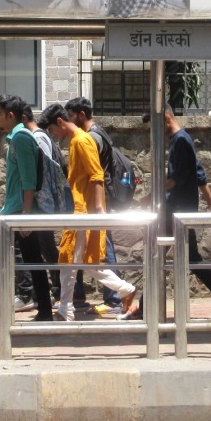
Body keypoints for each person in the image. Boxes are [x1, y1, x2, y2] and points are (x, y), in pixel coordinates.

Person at [38, 103, 137, 323]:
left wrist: (99, 211)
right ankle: (125, 290)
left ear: (60, 122)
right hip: (80, 209)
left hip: (83, 211)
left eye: (53, 130)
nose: (54, 136)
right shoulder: (77, 141)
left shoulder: (82, 141)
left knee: (68, 259)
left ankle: (66, 310)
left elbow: (96, 175)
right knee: (81, 261)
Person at [149, 105, 211, 319]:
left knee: (160, 256)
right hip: (178, 210)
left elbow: (177, 179)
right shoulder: (181, 140)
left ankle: (143, 308)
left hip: (178, 211)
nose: (154, 131)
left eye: (155, 124)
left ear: (165, 118)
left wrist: (151, 195)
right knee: (183, 259)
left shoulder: (180, 141)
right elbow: (199, 173)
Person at [0, 96, 55, 334]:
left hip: (20, 212)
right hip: (17, 210)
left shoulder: (20, 138)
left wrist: (25, 215)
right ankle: (45, 312)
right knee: (33, 258)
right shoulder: (18, 137)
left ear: (10, 115)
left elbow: (28, 180)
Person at [64, 96, 124, 313]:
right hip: (94, 202)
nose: (68, 121)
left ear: (81, 115)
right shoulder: (98, 133)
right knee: (93, 246)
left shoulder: (92, 138)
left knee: (102, 248)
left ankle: (115, 299)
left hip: (95, 203)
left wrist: (98, 208)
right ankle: (80, 296)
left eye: (71, 116)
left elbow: (95, 174)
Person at [22, 104, 64, 301]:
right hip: (44, 200)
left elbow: (45, 172)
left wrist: (39, 202)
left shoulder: (37, 138)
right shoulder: (42, 136)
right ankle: (53, 289)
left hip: (42, 201)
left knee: (45, 247)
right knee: (45, 247)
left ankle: (54, 289)